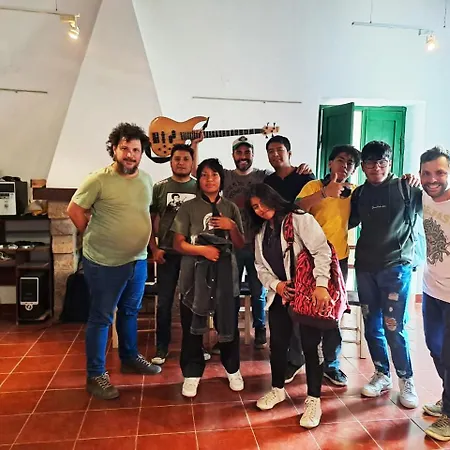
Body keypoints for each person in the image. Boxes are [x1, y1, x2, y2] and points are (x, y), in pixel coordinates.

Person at [67, 122, 161, 401]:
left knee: (130, 311)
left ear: (142, 153)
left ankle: (129, 358)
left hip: (137, 261)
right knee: (102, 317)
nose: (130, 155)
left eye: (136, 150)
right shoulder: (98, 179)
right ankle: (95, 375)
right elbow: (74, 210)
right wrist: (95, 235)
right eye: (125, 148)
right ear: (114, 149)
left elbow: (145, 215)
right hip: (104, 263)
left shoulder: (146, 180)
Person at [247, 183, 332, 429]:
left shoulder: (299, 219)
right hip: (281, 295)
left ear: (272, 198)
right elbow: (260, 266)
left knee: (310, 345)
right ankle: (277, 390)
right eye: (255, 207)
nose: (260, 209)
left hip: (307, 293)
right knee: (278, 344)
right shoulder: (262, 231)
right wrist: (277, 286)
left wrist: (321, 284)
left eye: (262, 203)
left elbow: (321, 251)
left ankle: (313, 400)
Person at [349, 140, 421, 409]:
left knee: (394, 326)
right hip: (366, 267)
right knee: (372, 325)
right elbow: (348, 221)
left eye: (382, 162)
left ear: (389, 163)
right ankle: (382, 373)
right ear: (363, 166)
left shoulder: (406, 188)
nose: (376, 168)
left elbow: (436, 203)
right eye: (370, 163)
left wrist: (421, 180)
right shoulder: (359, 193)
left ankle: (406, 379)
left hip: (396, 267)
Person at [172, 158, 245, 398]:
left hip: (225, 277)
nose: (209, 179)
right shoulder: (188, 208)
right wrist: (203, 250)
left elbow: (240, 244)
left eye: (214, 175)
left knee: (228, 324)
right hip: (194, 276)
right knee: (191, 326)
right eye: (204, 175)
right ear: (199, 180)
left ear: (221, 179)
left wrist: (231, 226)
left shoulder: (231, 208)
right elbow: (178, 244)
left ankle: (232, 369)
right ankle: (192, 372)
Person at [296, 144, 361, 386]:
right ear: (330, 163)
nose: (345, 165)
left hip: (338, 260)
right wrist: (325, 193)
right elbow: (297, 208)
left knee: (334, 312)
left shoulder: (354, 192)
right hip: (309, 257)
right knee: (302, 309)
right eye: (341, 160)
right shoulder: (314, 186)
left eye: (351, 163)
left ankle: (331, 364)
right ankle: (297, 359)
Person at [263, 135, 315, 384]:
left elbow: (314, 207)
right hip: (277, 245)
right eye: (270, 151)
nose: (275, 155)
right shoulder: (268, 181)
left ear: (290, 153)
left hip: (302, 245)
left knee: (302, 305)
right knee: (283, 303)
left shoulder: (306, 177)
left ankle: (305, 358)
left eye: (279, 150)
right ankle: (289, 357)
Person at [149, 144, 202, 365]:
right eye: (177, 159)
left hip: (192, 253)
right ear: (170, 162)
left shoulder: (199, 186)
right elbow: (151, 220)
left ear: (192, 162)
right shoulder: (160, 188)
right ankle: (161, 347)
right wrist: (154, 248)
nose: (181, 163)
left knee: (194, 302)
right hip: (167, 254)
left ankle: (195, 347)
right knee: (164, 303)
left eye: (185, 159)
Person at [419, 146, 450, 441]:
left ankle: (449, 415)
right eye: (426, 173)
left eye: (439, 173)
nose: (432, 179)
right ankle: (447, 397)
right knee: (435, 347)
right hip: (432, 289)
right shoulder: (425, 196)